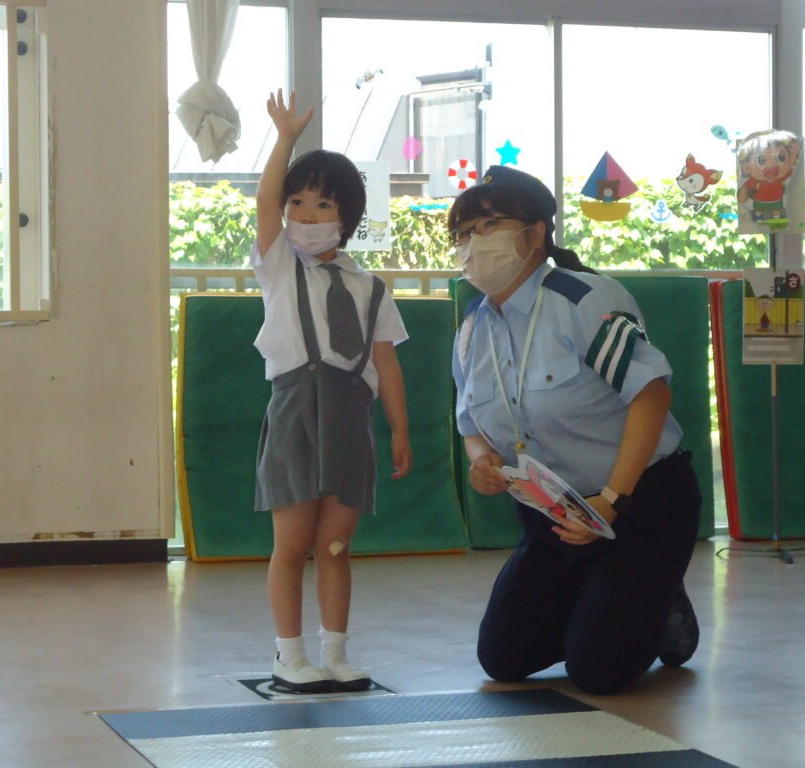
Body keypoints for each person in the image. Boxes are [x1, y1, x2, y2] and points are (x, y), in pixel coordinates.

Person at [450, 165, 701, 695]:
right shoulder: (474, 326)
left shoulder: (583, 299)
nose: (474, 242)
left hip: (637, 504)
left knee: (598, 673)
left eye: (489, 225)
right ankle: (606, 600)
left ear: (535, 233)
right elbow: (471, 421)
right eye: (464, 232)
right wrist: (480, 460)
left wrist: (612, 500)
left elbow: (651, 394)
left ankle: (660, 602)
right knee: (503, 658)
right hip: (554, 514)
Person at [252, 89, 412, 693]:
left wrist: (398, 428)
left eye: (323, 206)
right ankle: (288, 654)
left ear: (347, 217)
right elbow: (266, 201)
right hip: (295, 410)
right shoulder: (278, 265)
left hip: (350, 417)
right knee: (291, 544)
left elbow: (386, 364)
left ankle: (336, 651)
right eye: (299, 203)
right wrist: (285, 139)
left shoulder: (370, 286)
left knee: (337, 545)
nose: (307, 216)